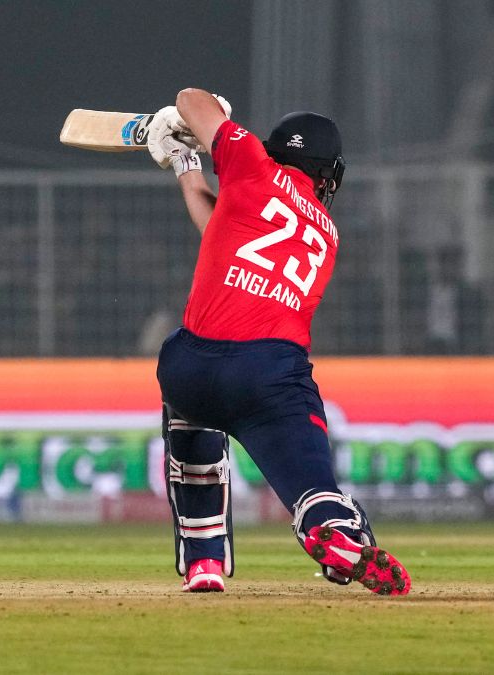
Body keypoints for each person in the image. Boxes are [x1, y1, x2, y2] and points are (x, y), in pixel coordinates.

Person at [144, 88, 410, 595]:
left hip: (191, 367)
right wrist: (188, 153)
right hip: (268, 376)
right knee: (313, 487)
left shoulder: (251, 163)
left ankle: (203, 561)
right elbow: (228, 228)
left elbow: (190, 98)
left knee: (189, 423)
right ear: (325, 174)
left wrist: (189, 137)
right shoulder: (327, 233)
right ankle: (334, 534)